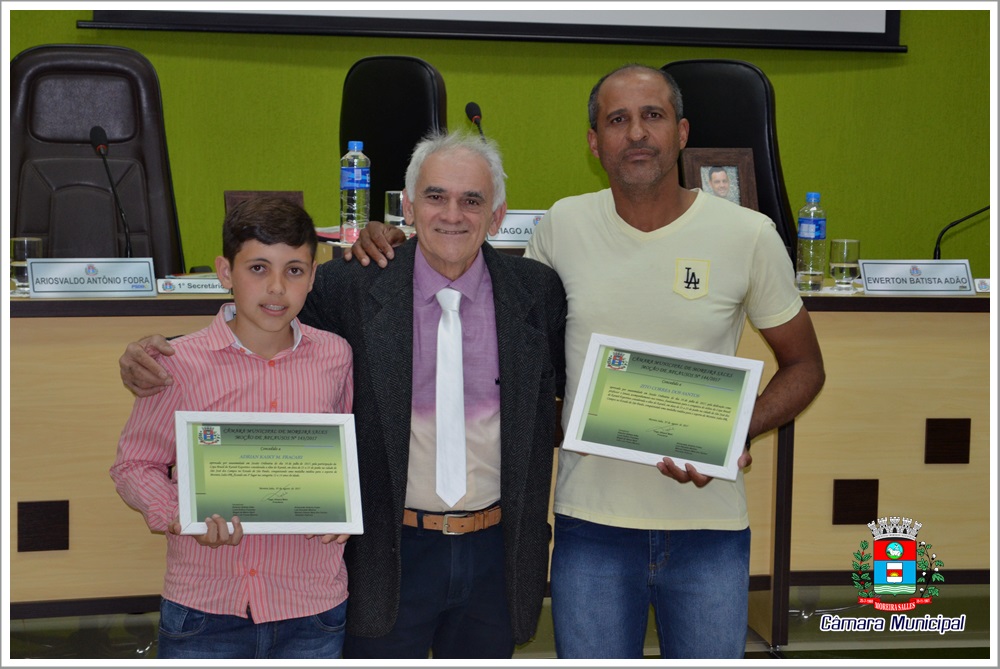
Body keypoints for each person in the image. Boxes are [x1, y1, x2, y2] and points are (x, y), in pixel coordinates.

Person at [347, 64, 825, 659]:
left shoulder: (748, 234)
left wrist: (736, 429)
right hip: (590, 528)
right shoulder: (563, 226)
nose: (637, 133)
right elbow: (500, 320)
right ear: (595, 143)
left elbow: (806, 366)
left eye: (652, 116)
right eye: (617, 120)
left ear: (682, 132)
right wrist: (400, 241)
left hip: (708, 527)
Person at [118, 132, 567, 659]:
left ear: (497, 216)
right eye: (435, 196)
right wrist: (159, 355)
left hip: (496, 548)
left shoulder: (537, 292)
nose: (452, 214)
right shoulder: (349, 286)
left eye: (472, 200)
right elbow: (263, 323)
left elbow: (561, 393)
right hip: (387, 550)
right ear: (408, 207)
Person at [110, 197, 354, 659]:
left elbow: (345, 452)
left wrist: (344, 508)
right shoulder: (179, 363)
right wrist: (181, 514)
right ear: (225, 272)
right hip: (206, 607)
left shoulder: (335, 356)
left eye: (295, 270)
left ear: (312, 277)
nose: (277, 287)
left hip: (312, 604)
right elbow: (133, 465)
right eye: (258, 268)